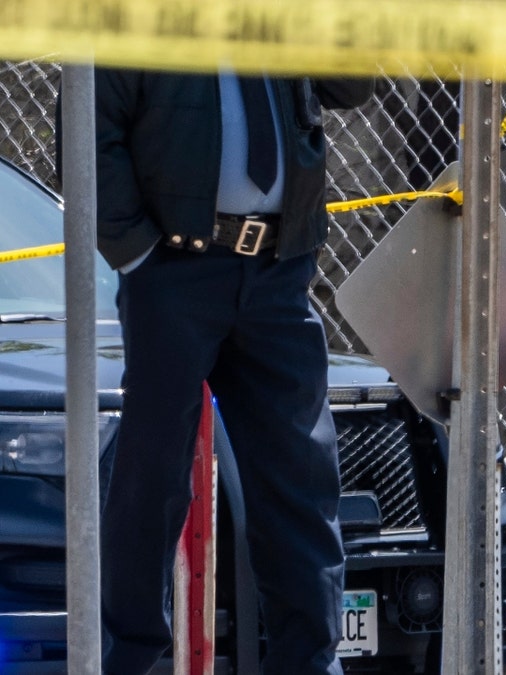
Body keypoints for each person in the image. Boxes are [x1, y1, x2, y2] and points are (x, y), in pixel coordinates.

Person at [78, 66, 373, 674]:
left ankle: (310, 663)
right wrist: (137, 254)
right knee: (152, 477)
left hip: (278, 273)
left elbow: (353, 85)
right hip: (174, 272)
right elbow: (87, 132)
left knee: (300, 478)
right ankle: (130, 660)